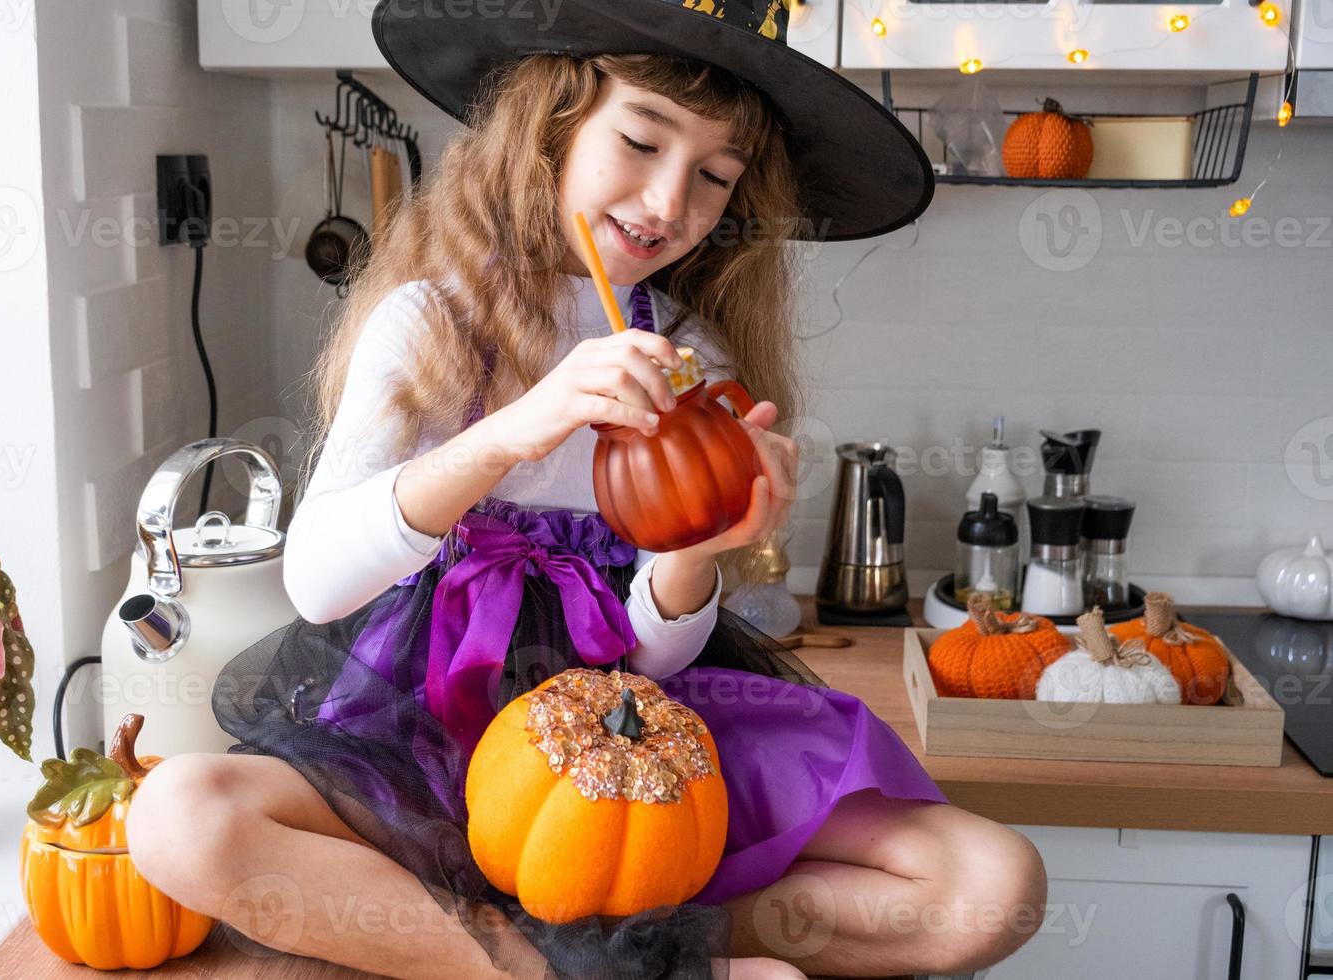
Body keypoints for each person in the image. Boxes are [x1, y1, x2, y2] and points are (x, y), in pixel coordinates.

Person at [127, 0, 1048, 975]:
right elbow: (315, 584)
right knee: (181, 820)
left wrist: (697, 550)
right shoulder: (427, 323)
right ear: (551, 126)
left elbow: (650, 664)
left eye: (713, 176)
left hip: (633, 752)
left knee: (995, 884)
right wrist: (512, 431)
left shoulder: (692, 359)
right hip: (426, 733)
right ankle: (540, 969)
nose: (667, 201)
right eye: (642, 141)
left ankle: (634, 950)